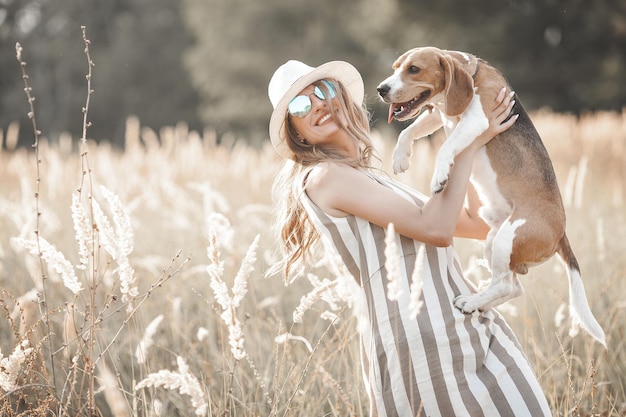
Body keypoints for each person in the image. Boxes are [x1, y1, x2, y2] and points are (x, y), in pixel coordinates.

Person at [267, 59, 551, 417]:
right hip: (423, 344)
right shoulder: (325, 177)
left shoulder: (370, 178)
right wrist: (468, 142)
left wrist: (470, 136)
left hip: (469, 323)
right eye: (301, 105)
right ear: (298, 133)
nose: (318, 103)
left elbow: (475, 222)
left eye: (322, 90)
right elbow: (436, 229)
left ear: (338, 95)